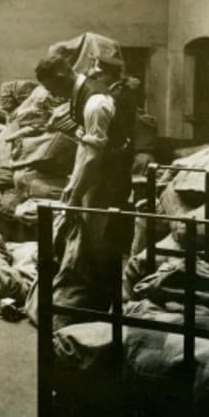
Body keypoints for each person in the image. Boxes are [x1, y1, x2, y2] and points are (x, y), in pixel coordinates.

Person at [32, 51, 136, 329]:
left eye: (51, 87)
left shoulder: (95, 102)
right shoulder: (80, 97)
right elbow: (85, 149)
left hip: (107, 181)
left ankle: (106, 315)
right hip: (96, 178)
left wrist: (76, 196)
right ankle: (89, 309)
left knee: (101, 245)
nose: (51, 94)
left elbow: (93, 158)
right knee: (89, 243)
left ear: (61, 76)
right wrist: (72, 186)